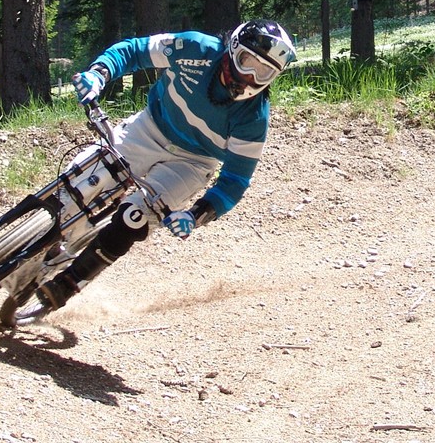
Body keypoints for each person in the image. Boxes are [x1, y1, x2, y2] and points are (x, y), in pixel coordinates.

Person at [30, 19, 297, 316]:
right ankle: (46, 235)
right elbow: (135, 51)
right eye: (249, 62)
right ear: (233, 48)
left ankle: (69, 283)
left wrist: (195, 216)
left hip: (193, 163)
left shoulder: (254, 119)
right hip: (149, 127)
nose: (250, 77)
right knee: (81, 180)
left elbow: (235, 180)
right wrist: (98, 75)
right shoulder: (196, 47)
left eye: (265, 72)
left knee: (134, 218)